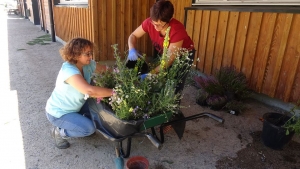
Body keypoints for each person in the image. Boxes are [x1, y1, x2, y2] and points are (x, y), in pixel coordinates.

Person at [45, 38, 114, 149]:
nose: (91, 56)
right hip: (59, 113)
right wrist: (115, 92)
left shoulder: (87, 64)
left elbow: (106, 70)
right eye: (87, 54)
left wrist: (121, 73)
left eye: (91, 53)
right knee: (89, 129)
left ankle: (80, 124)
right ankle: (59, 132)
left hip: (77, 106)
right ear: (76, 55)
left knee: (99, 107)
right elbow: (90, 91)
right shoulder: (69, 71)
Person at [127, 0, 195, 79]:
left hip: (184, 56)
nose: (156, 28)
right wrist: (131, 50)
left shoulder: (177, 30)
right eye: (154, 23)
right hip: (166, 53)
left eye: (160, 25)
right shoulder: (149, 22)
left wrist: (151, 74)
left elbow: (168, 60)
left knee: (174, 84)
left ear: (170, 19)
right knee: (160, 79)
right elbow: (133, 35)